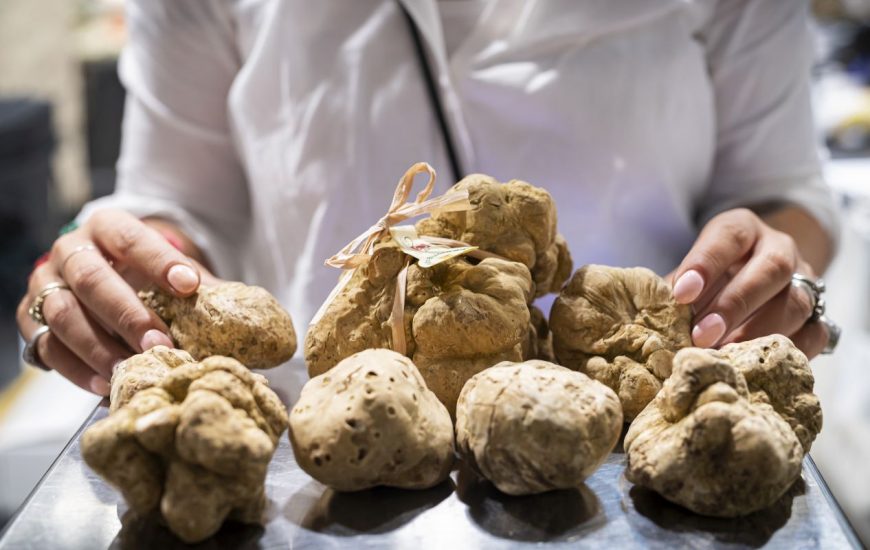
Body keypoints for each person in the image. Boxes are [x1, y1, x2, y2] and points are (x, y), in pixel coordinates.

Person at [17, 0, 840, 396]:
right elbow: (178, 203)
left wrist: (771, 263)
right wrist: (134, 268)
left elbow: (782, 191)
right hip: (327, 439)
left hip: (646, 419)